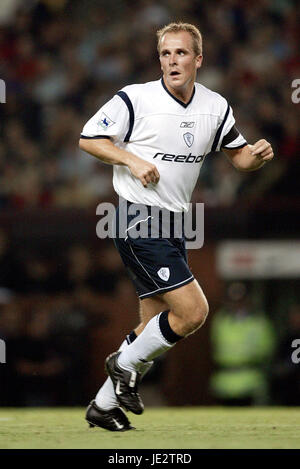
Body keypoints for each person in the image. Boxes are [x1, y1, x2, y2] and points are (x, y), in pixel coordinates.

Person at [79, 22, 274, 431]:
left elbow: (238, 157)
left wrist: (255, 158)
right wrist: (130, 160)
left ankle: (102, 404)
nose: (172, 61)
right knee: (194, 312)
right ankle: (123, 364)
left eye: (181, 53)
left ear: (198, 59)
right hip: (137, 216)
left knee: (153, 324)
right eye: (166, 54)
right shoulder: (135, 98)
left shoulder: (215, 106)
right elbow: (89, 138)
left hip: (175, 222)